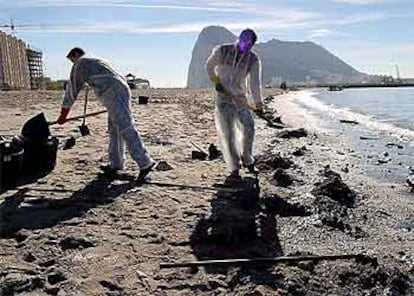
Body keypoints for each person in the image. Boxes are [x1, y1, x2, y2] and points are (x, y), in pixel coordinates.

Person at [56, 47, 155, 181]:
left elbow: (72, 90)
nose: (72, 64)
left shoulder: (81, 63)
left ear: (75, 54)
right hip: (119, 90)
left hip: (112, 91)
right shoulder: (96, 60)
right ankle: (116, 163)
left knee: (125, 126)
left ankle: (145, 162)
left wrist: (63, 114)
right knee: (114, 128)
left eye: (71, 60)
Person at [206, 29, 263, 179]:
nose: (246, 46)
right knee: (229, 134)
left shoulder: (253, 60)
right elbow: (209, 66)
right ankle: (235, 167)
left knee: (249, 127)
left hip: (240, 98)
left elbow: (255, 84)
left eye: (250, 44)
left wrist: (258, 104)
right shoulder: (222, 51)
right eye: (245, 42)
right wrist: (216, 81)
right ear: (239, 39)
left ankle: (247, 158)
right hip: (223, 98)